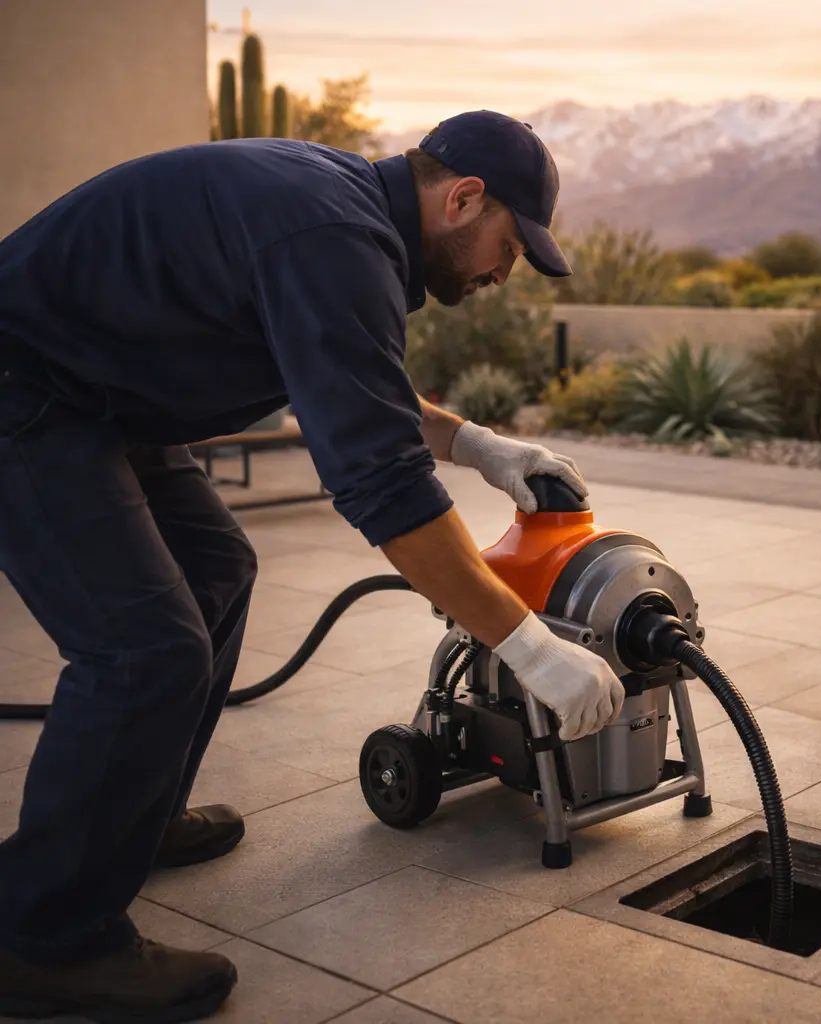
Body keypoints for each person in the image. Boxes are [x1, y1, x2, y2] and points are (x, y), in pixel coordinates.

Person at [0, 110, 626, 1021]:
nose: (505, 270)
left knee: (217, 569)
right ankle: (40, 938)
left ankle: (129, 817)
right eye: (509, 246)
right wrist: (532, 650)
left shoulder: (340, 215)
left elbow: (351, 376)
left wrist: (482, 447)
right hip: (25, 390)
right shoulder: (332, 233)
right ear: (462, 199)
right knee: (143, 649)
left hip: (97, 397)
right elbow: (386, 493)